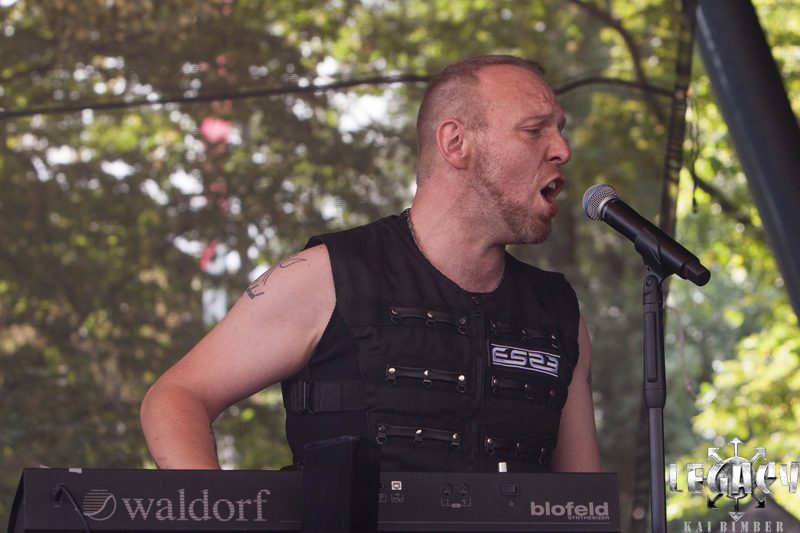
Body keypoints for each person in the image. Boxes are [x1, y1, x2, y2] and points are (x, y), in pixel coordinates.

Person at [141, 54, 601, 473]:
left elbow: (583, 502)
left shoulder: (559, 315)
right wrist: (218, 516)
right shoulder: (324, 278)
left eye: (560, 130)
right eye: (535, 130)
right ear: (456, 142)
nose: (562, 149)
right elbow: (176, 397)